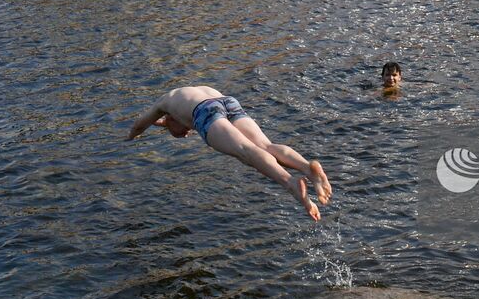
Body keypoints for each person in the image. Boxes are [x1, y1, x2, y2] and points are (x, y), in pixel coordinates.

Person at [126, 84, 332, 221]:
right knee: (266, 146)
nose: (187, 133)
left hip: (204, 112)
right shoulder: (191, 93)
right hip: (225, 101)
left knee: (246, 151)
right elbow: (172, 123)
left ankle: (291, 183)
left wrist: (129, 138)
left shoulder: (164, 102)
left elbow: (138, 125)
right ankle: (307, 168)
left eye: (182, 132)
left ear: (169, 118)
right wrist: (163, 126)